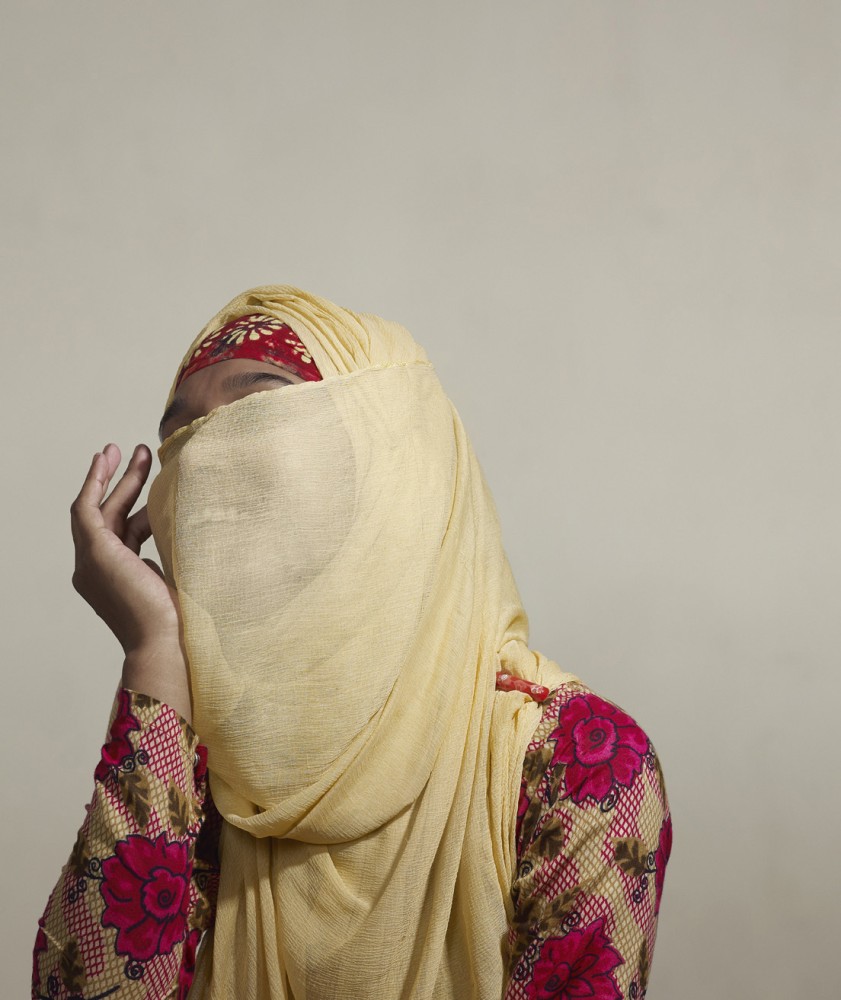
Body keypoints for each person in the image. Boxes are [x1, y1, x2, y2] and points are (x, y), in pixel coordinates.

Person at [33, 286, 671, 1000]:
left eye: (257, 412)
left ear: (387, 456)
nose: (208, 459)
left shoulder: (574, 762)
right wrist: (154, 650)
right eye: (183, 435)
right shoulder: (199, 751)